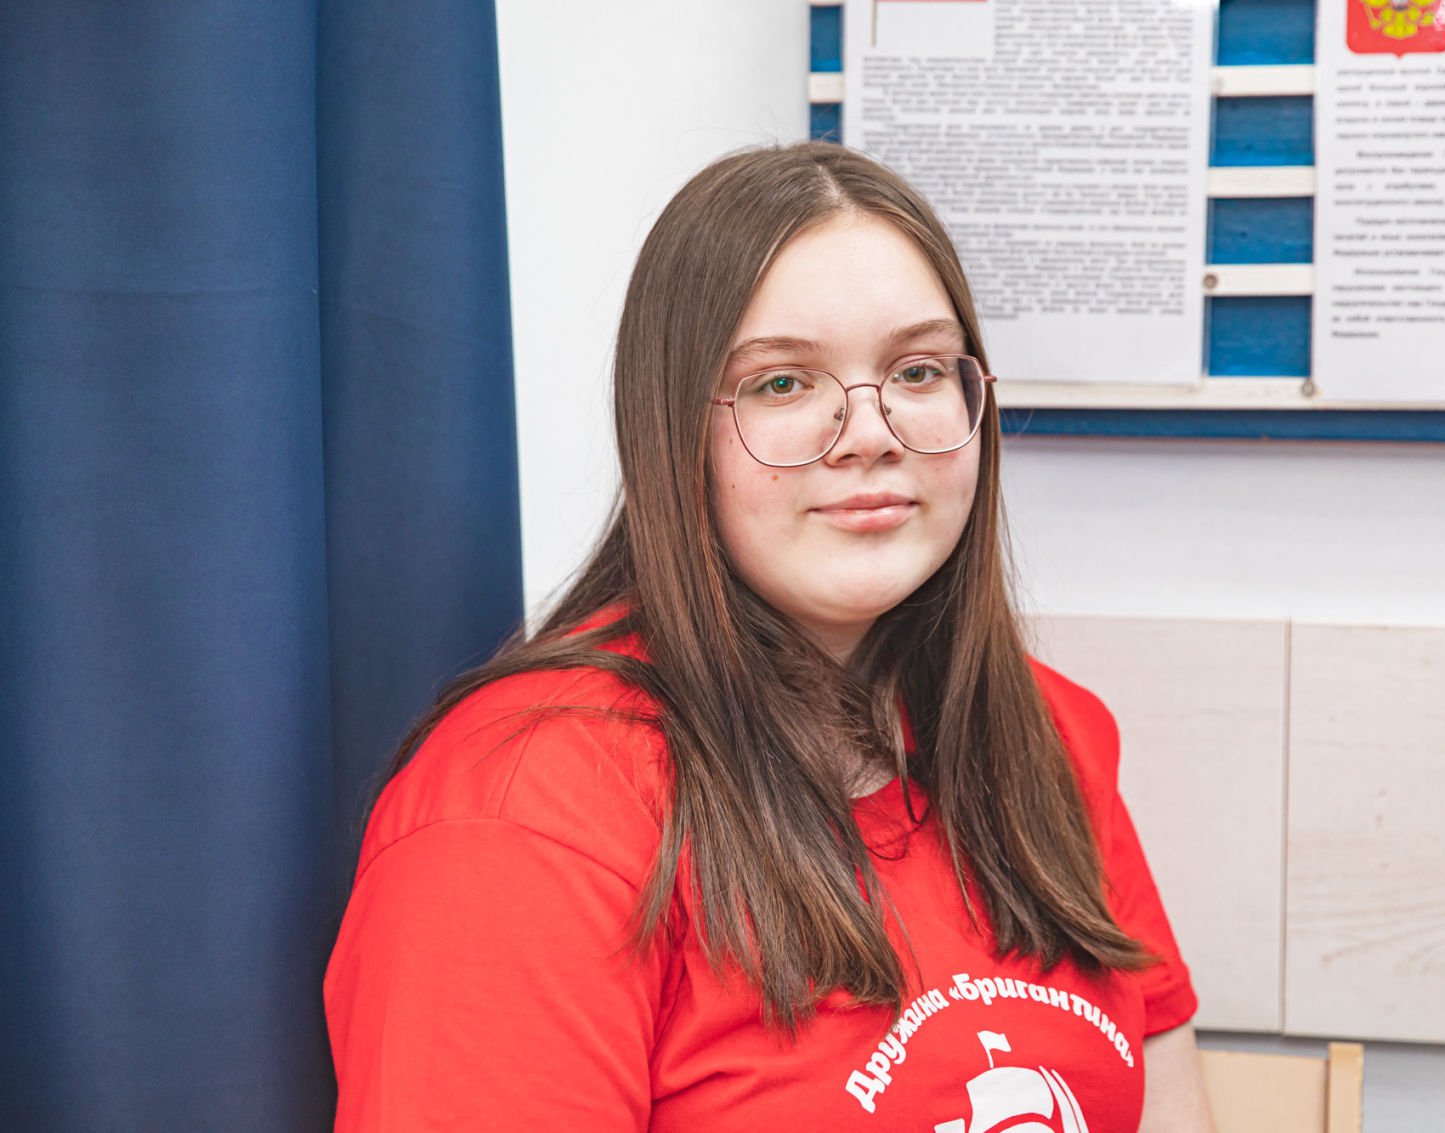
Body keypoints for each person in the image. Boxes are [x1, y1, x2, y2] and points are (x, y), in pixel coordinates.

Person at [323, 140, 1217, 1131]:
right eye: (783, 383)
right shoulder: (523, 808)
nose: (870, 432)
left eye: (918, 369)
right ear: (674, 431)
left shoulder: (1047, 731)